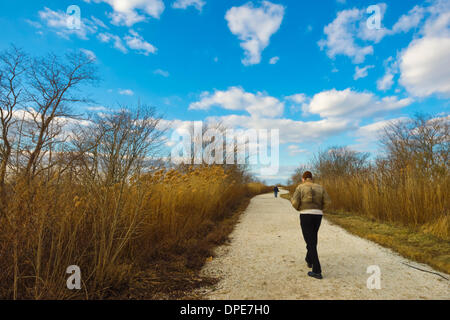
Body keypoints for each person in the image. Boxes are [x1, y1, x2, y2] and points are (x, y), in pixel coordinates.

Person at [290, 171, 331, 279]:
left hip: (305, 214)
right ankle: (309, 259)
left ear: (303, 179)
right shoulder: (320, 187)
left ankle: (317, 270)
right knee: (312, 238)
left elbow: (294, 202)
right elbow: (328, 202)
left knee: (310, 240)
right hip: (318, 215)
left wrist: (300, 208)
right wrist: (320, 210)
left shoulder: (300, 187)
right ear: (311, 178)